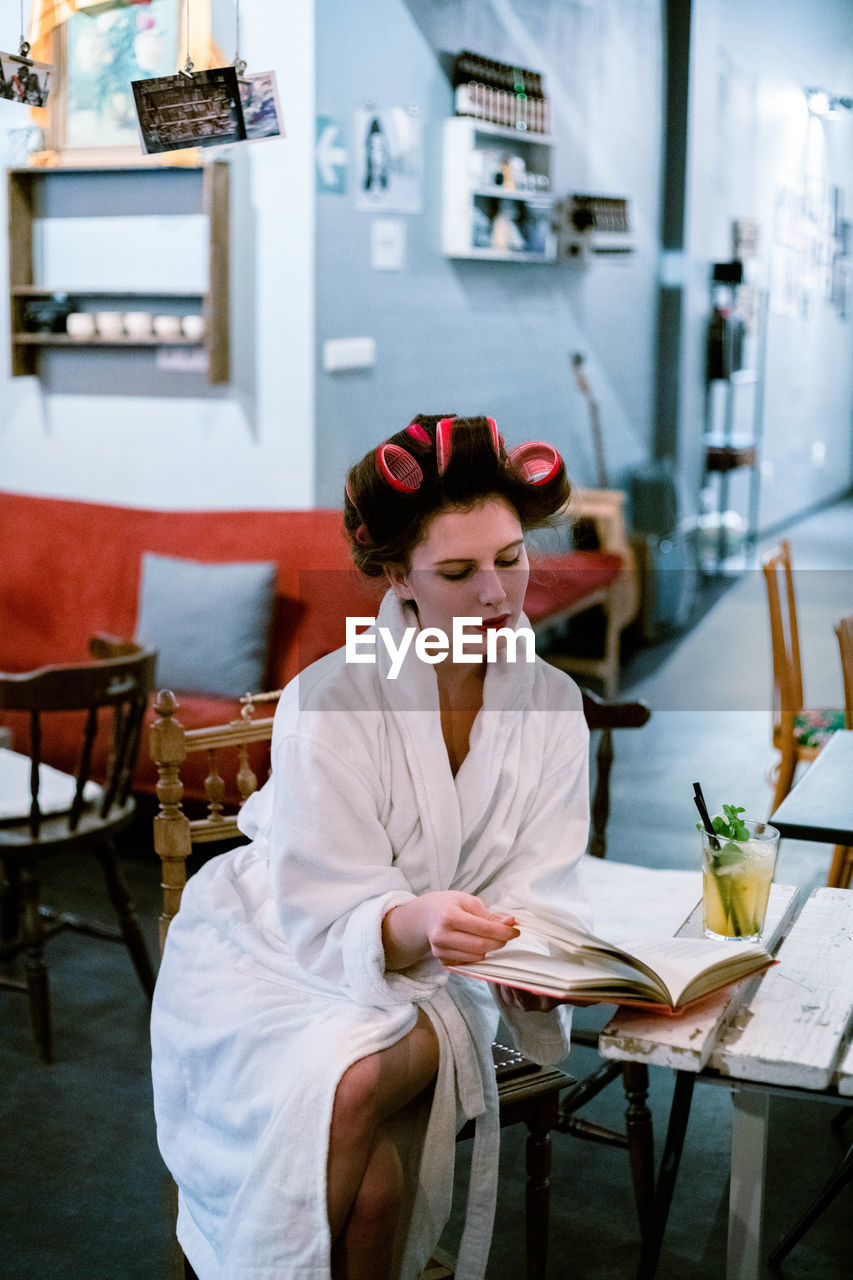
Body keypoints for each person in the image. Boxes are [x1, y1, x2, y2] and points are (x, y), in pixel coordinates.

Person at [151, 414, 592, 1280]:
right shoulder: (330, 700)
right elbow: (321, 906)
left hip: (449, 966)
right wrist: (409, 918)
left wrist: (534, 968)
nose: (498, 594)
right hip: (277, 946)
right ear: (398, 576)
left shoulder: (551, 702)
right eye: (459, 572)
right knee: (377, 1190)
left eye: (511, 559)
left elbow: (543, 880)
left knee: (351, 1088)